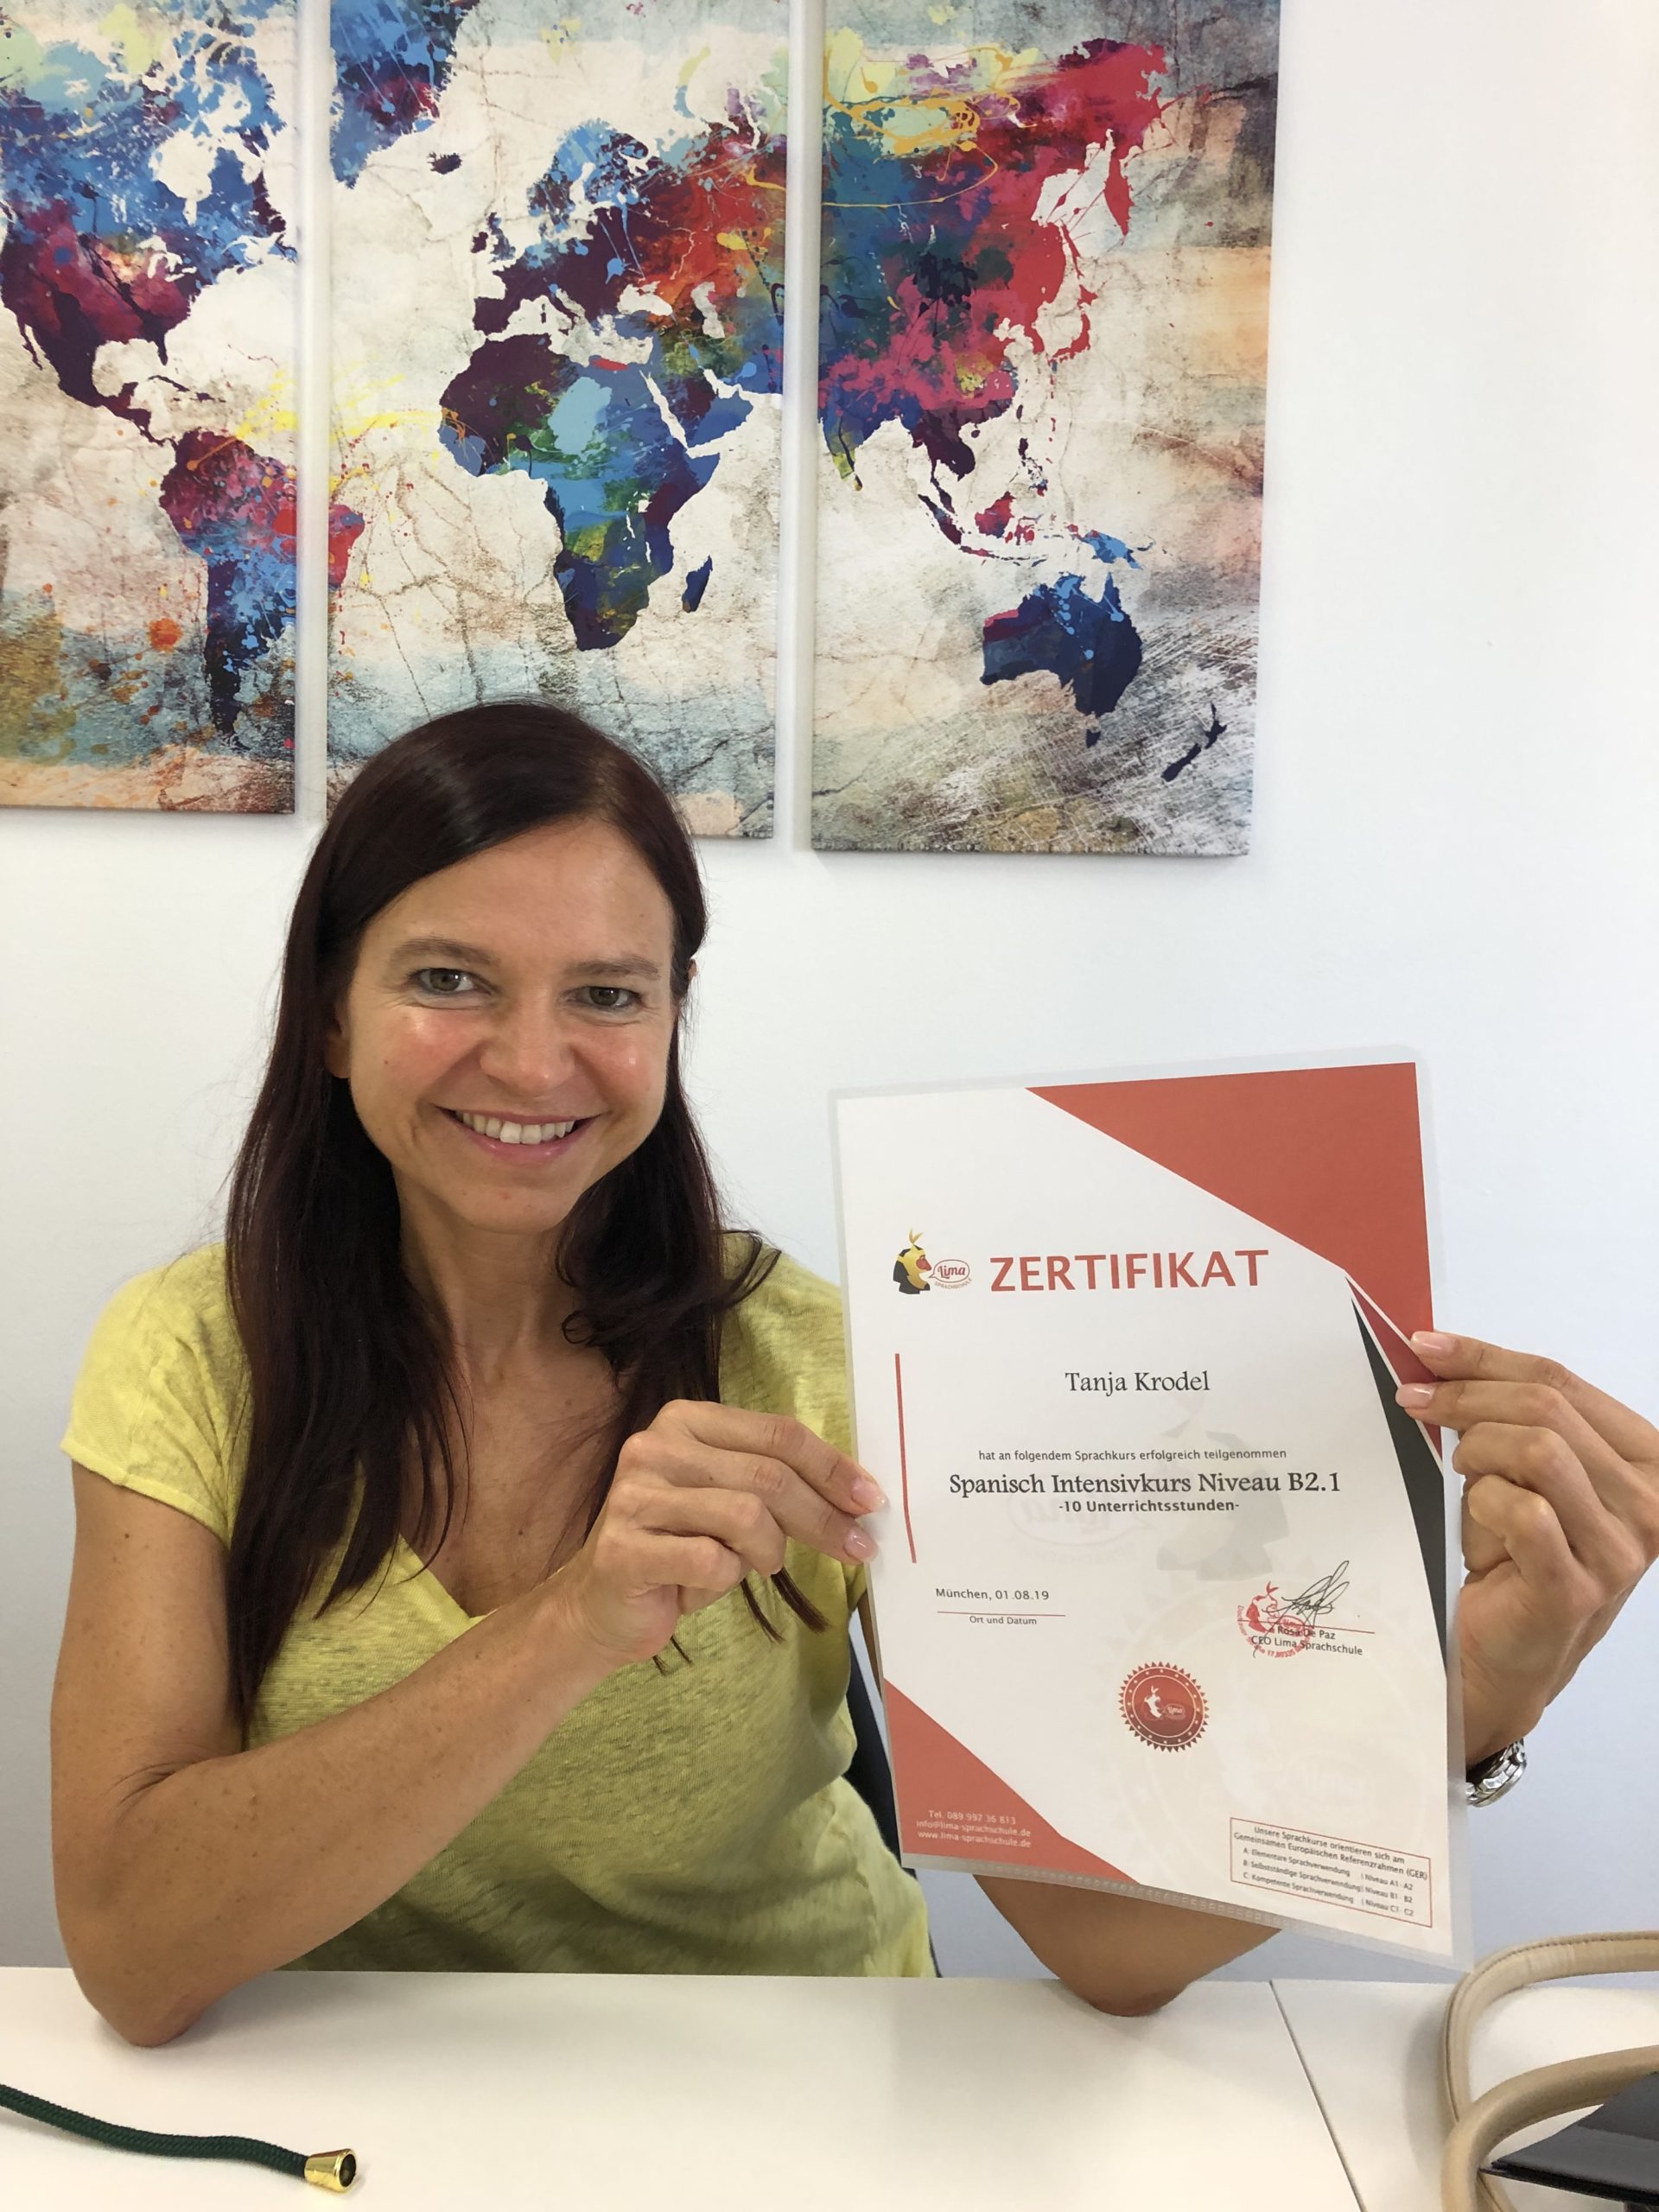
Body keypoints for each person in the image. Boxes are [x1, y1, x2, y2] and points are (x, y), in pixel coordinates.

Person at [51, 705, 1659, 2048]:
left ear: (671, 1020)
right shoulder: (193, 1353)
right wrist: (567, 1629)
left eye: (608, 994)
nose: (534, 1061)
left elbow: (1104, 1950)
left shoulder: (822, 1359)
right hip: (367, 2113)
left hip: (815, 2100)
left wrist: (1465, 1698)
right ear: (331, 1015)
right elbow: (132, 1949)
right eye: (447, 979)